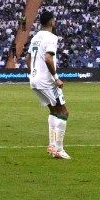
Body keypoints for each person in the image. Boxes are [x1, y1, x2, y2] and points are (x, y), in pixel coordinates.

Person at [28, 8, 69, 160]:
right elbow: (48, 58)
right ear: (51, 21)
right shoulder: (51, 37)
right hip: (47, 81)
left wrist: (32, 73)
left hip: (34, 80)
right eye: (55, 19)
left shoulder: (35, 37)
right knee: (63, 112)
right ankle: (59, 149)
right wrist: (56, 77)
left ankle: (52, 146)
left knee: (53, 112)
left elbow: (28, 58)